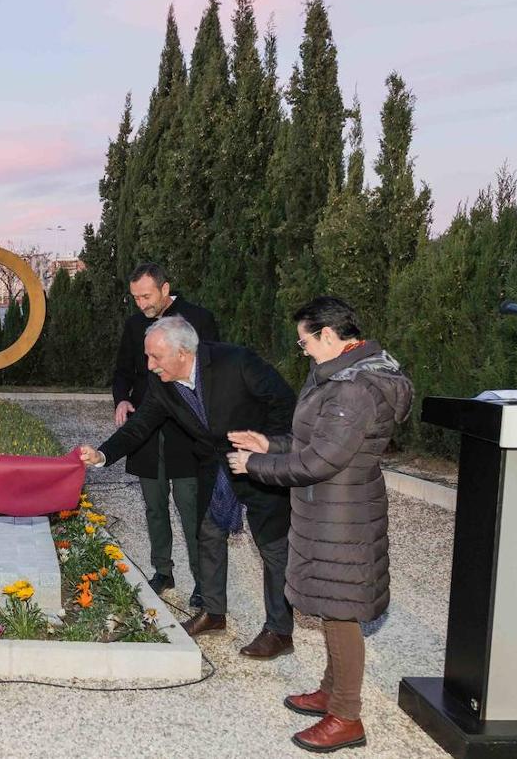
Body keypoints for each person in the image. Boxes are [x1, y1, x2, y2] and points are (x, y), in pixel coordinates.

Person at [226, 297, 412, 753]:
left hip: (341, 513)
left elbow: (319, 460)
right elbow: (314, 440)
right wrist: (268, 442)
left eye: (304, 340)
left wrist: (255, 465)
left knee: (342, 610)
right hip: (330, 509)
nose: (302, 349)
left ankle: (347, 716)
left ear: (328, 335)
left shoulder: (354, 388)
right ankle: (332, 691)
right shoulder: (341, 375)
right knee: (332, 603)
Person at [79, 315, 297, 659]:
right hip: (215, 467)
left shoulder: (236, 362)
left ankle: (279, 631)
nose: (149, 366)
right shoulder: (164, 384)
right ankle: (213, 612)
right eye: (147, 357)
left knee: (272, 547)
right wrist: (103, 454)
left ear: (182, 352)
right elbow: (141, 425)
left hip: (260, 465)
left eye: (156, 357)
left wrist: (268, 445)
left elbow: (285, 401)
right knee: (207, 535)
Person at [112, 263, 219, 603]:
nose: (141, 304)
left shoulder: (199, 319)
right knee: (154, 506)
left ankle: (203, 582)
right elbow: (122, 371)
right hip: (145, 430)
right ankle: (163, 571)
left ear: (164, 288)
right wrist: (122, 401)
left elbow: (213, 373)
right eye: (135, 298)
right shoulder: (134, 325)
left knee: (191, 507)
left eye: (146, 296)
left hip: (185, 433)